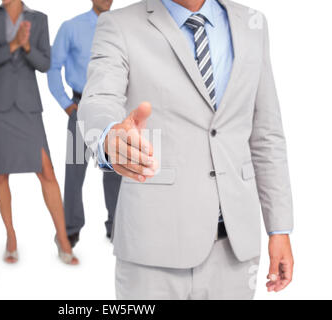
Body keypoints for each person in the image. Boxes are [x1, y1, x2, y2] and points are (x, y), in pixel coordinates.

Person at [78, 0, 294, 299]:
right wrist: (107, 137)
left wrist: (279, 228)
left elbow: (266, 134)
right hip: (153, 250)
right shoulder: (119, 25)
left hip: (235, 249)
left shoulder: (253, 23)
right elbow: (97, 99)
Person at [0, 0, 78, 265]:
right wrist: (11, 45)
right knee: (1, 172)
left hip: (27, 106)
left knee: (46, 171)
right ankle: (10, 235)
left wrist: (26, 46)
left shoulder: (40, 19)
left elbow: (45, 63)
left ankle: (63, 237)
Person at [47, 0, 120, 247]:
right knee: (76, 169)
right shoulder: (71, 27)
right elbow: (53, 66)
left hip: (115, 109)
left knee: (115, 170)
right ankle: (71, 227)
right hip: (81, 108)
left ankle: (116, 225)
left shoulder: (122, 26)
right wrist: (66, 103)